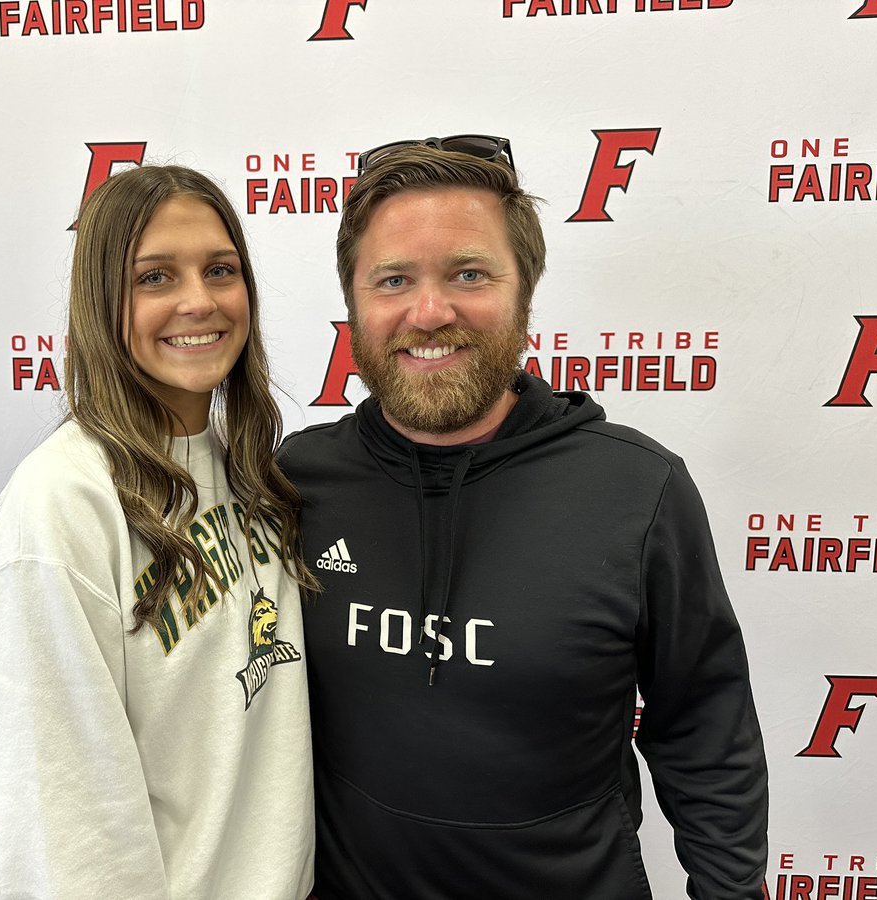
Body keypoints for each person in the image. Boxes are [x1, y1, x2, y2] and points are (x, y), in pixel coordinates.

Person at [278, 136, 768, 899]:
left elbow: (706, 723)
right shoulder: (295, 480)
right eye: (393, 280)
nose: (429, 311)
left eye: (468, 274)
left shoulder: (636, 488)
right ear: (354, 304)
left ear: (524, 293)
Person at [0, 165, 318, 899]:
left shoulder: (246, 470)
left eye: (220, 270)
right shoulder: (62, 503)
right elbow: (65, 825)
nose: (199, 300)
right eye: (155, 277)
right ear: (103, 302)